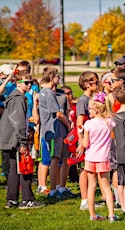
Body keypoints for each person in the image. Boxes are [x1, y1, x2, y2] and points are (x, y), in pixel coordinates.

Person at [0, 71, 44, 209]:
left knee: (14, 169)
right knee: (25, 168)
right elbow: (18, 122)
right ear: (18, 83)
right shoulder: (18, 98)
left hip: (9, 138)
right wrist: (23, 142)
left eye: (30, 81)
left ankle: (12, 199)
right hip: (16, 139)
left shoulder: (16, 97)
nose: (29, 84)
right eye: (26, 82)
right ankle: (27, 200)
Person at [82, 93, 118, 222]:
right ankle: (112, 215)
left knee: (91, 186)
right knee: (107, 187)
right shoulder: (109, 122)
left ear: (96, 110)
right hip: (103, 158)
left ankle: (92, 215)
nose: (88, 111)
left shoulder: (88, 124)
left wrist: (80, 136)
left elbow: (86, 144)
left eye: (90, 109)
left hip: (91, 158)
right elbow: (111, 117)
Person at [36, 68, 71, 199]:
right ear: (52, 78)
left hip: (56, 131)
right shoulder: (48, 93)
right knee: (54, 160)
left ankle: (57, 187)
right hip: (53, 131)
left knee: (59, 159)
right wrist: (68, 125)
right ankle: (53, 190)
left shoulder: (43, 92)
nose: (59, 79)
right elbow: (58, 113)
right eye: (57, 77)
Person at [74, 71, 99, 210]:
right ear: (86, 84)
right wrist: (82, 143)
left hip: (91, 139)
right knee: (85, 169)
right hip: (85, 140)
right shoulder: (83, 100)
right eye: (94, 82)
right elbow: (79, 122)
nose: (97, 84)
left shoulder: (92, 98)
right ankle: (84, 200)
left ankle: (89, 199)